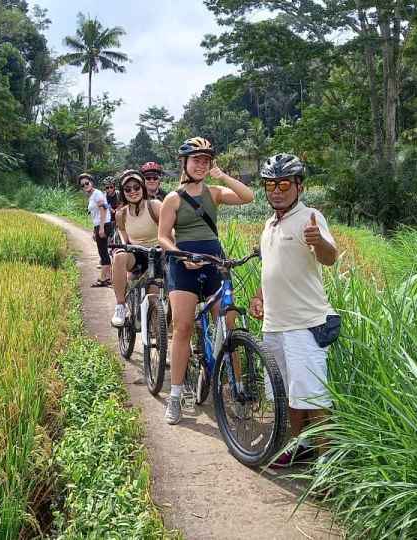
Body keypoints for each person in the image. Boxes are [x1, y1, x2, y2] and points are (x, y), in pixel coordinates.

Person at [247, 153, 339, 467]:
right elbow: (271, 267)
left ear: (299, 186)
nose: (277, 189)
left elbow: (329, 258)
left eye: (284, 183)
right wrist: (259, 296)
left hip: (304, 323)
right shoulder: (269, 223)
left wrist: (319, 242)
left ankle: (327, 466)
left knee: (313, 396)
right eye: (271, 184)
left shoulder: (310, 217)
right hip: (274, 323)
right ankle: (302, 447)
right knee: (287, 392)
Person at [157, 137, 254, 425]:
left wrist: (223, 176)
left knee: (228, 326)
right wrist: (180, 255)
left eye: (206, 160)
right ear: (184, 163)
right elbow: (163, 236)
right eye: (195, 160)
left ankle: (235, 390)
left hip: (215, 261)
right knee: (183, 326)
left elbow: (248, 197)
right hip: (182, 263)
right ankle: (175, 395)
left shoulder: (214, 192)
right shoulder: (172, 198)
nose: (201, 165)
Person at [110, 169, 164, 327]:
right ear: (123, 192)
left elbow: (168, 228)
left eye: (136, 187)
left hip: (158, 253)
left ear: (143, 188)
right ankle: (120, 305)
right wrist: (124, 243)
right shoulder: (121, 214)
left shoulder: (154, 205)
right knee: (119, 256)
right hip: (137, 254)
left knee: (155, 305)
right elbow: (122, 230)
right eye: (127, 189)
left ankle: (159, 344)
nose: (132, 191)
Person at [79, 172, 115, 287]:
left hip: (104, 225)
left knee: (103, 253)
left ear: (91, 182)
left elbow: (103, 210)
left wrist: (101, 228)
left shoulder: (97, 194)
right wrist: (94, 230)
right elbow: (95, 215)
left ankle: (103, 279)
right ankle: (107, 278)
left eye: (87, 183)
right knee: (104, 253)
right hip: (99, 225)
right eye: (83, 185)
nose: (85, 186)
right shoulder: (92, 196)